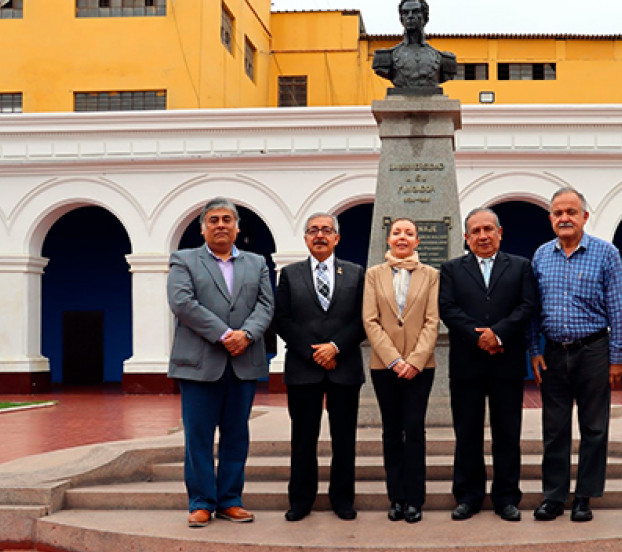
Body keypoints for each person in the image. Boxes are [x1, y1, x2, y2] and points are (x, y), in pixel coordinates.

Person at [167, 198, 274, 528]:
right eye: (213, 220)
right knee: (198, 436)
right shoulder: (184, 260)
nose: (221, 225)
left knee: (236, 435)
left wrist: (247, 335)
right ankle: (200, 501)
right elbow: (182, 302)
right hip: (199, 364)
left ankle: (230, 499)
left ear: (237, 226)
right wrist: (226, 334)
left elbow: (266, 306)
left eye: (227, 219)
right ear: (203, 228)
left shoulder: (256, 263)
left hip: (244, 362)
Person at [528, 187, 622, 522]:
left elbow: (618, 308)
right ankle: (554, 496)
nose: (564, 218)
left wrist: (617, 357)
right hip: (554, 353)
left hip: (594, 351)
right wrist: (534, 351)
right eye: (558, 213)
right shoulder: (541, 255)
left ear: (585, 216)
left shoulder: (606, 253)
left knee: (594, 427)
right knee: (554, 428)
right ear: (550, 219)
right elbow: (532, 310)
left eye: (571, 212)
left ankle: (584, 496)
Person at [439, 208, 537, 522]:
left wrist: (499, 334)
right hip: (467, 363)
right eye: (476, 232)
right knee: (467, 434)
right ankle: (468, 496)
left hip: (505, 362)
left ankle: (506, 498)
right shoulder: (452, 269)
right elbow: (447, 308)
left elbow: (527, 305)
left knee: (507, 434)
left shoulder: (520, 267)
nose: (483, 236)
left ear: (499, 232)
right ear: (466, 238)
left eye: (488, 230)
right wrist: (476, 335)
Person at [274, 212, 366, 522]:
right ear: (305, 239)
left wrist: (335, 347)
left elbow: (362, 319)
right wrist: (312, 351)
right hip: (303, 367)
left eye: (326, 230)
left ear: (337, 238)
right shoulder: (289, 275)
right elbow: (282, 319)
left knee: (344, 438)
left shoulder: (355, 273)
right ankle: (301, 500)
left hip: (344, 365)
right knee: (303, 438)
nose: (320, 235)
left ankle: (342, 499)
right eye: (313, 230)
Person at [363, 218, 439, 524]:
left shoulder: (431, 275)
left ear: (417, 241)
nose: (402, 237)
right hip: (384, 367)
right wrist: (395, 360)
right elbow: (370, 321)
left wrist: (415, 361)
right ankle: (396, 497)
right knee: (391, 431)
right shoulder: (373, 275)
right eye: (397, 233)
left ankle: (415, 500)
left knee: (415, 431)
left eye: (409, 233)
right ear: (389, 240)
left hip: (421, 368)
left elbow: (432, 321)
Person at [372, 0, 457, 90]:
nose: (410, 16)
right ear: (401, 19)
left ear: (425, 17)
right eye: (405, 13)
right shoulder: (386, 57)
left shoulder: (444, 59)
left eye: (415, 12)